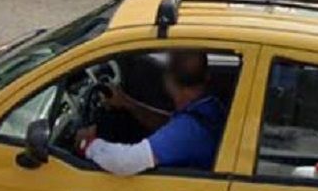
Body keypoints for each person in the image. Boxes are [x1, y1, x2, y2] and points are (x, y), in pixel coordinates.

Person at [76, 52, 226, 176]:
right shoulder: (210, 106)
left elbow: (125, 162)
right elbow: (168, 123)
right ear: (207, 76)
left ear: (168, 80)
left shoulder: (188, 131)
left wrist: (87, 144)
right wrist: (127, 103)